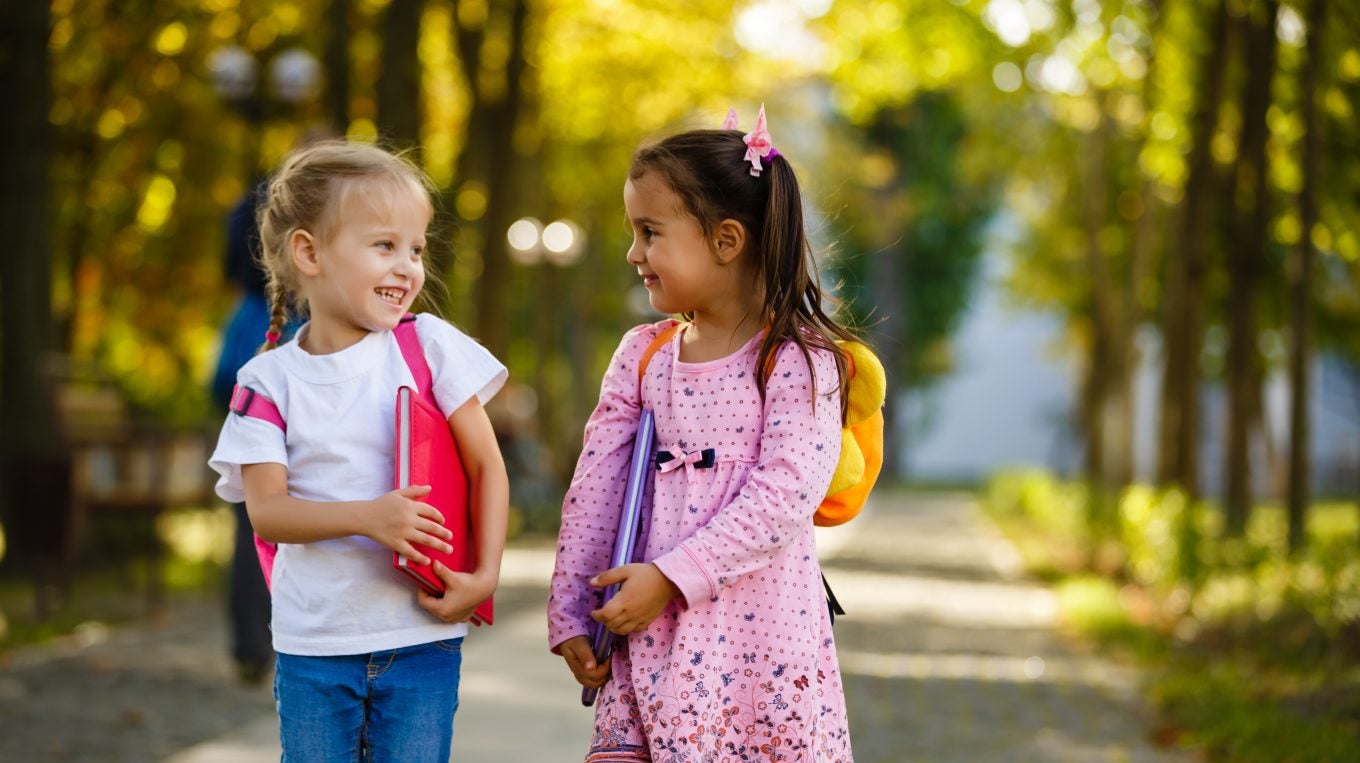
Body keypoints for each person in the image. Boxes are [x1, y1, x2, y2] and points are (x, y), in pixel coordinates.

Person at [547, 106, 856, 761]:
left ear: (726, 240)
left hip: (758, 645)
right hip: (653, 641)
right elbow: (596, 485)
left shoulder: (797, 359)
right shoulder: (643, 354)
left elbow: (785, 494)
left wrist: (671, 574)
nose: (634, 253)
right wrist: (572, 609)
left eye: (650, 231)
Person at [208, 140, 509, 761]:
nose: (407, 267)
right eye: (384, 246)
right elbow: (268, 513)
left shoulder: (428, 348)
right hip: (314, 647)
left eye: (416, 248)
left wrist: (484, 576)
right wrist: (371, 518)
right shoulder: (266, 381)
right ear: (309, 252)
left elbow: (487, 467)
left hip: (422, 639)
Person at [211, 178, 277, 685]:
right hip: (273, 330)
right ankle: (260, 640)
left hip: (251, 334)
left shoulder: (246, 315)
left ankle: (252, 644)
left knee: (250, 520)